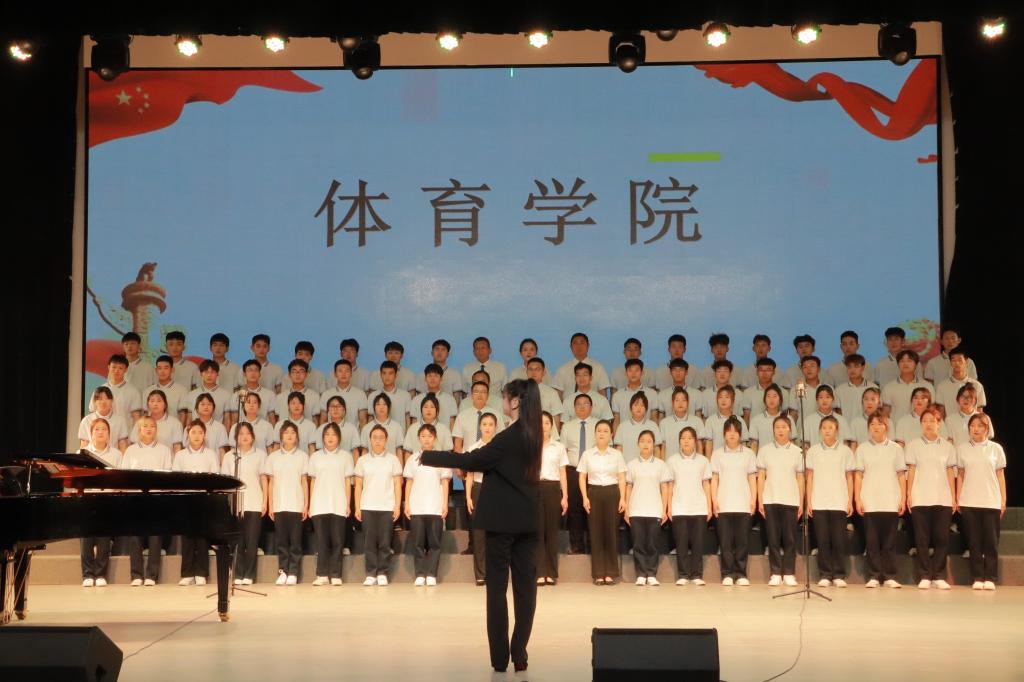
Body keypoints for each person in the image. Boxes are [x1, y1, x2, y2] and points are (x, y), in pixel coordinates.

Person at [420, 379, 543, 674]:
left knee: (496, 591)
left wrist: (428, 456)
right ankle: (519, 652)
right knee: (526, 591)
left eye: (506, 397)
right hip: (528, 521)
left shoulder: (508, 437)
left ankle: (500, 659)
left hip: (501, 523)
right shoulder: (534, 433)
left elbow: (472, 459)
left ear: (516, 402)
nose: (503, 401)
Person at [905, 405, 957, 590]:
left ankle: (939, 575)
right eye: (925, 421)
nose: (928, 424)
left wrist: (953, 496)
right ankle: (925, 575)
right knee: (922, 539)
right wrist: (909, 494)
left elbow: (950, 472)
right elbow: (911, 470)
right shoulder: (913, 445)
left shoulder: (948, 447)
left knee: (942, 538)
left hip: (943, 497)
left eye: (932, 421)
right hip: (920, 498)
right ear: (921, 424)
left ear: (939, 423)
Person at [854, 412, 907, 588]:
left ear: (886, 427)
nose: (876, 427)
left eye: (879, 424)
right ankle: (874, 575)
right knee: (872, 542)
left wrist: (903, 498)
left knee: (890, 541)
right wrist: (857, 498)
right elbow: (858, 475)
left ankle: (890, 575)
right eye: (872, 424)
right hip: (870, 500)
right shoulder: (862, 449)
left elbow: (901, 475)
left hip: (891, 500)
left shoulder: (896, 449)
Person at [121, 416, 173, 586]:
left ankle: (152, 575)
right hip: (136, 498)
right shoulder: (131, 451)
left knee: (155, 537)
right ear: (139, 430)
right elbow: (125, 476)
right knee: (135, 537)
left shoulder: (164, 450)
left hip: (156, 498)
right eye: (145, 426)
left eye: (152, 426)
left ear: (156, 430)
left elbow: (168, 476)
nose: (149, 429)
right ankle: (136, 575)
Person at [956, 413, 1006, 591]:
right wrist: (958, 498)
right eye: (972, 426)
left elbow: (1000, 475)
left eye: (980, 426)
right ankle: (977, 577)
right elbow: (960, 475)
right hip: (969, 500)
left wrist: (1003, 499)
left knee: (991, 542)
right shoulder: (962, 448)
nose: (975, 429)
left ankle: (990, 577)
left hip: (991, 500)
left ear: (987, 428)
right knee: (974, 542)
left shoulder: (995, 449)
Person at [806, 416, 856, 588]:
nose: (827, 430)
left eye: (830, 427)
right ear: (820, 430)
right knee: (823, 540)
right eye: (824, 427)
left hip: (839, 501)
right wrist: (809, 500)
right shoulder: (813, 451)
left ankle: (839, 574)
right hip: (819, 501)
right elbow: (810, 477)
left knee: (839, 540)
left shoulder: (845, 451)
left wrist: (849, 500)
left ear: (837, 430)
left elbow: (850, 478)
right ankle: (825, 574)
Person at [756, 416, 804, 587]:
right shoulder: (765, 450)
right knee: (773, 538)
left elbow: (800, 478)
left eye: (784, 427)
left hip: (791, 500)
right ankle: (775, 572)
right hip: (770, 498)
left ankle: (789, 573)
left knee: (790, 539)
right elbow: (761, 477)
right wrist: (760, 499)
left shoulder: (798, 452)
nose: (780, 430)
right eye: (777, 427)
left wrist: (801, 501)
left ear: (790, 429)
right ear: (773, 430)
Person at [578, 419, 627, 585]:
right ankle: (599, 573)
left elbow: (622, 477)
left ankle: (611, 573)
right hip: (594, 492)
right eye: (599, 430)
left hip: (612, 493)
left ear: (611, 435)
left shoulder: (617, 454)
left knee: (611, 532)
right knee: (596, 532)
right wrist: (585, 497)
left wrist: (623, 498)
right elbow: (582, 477)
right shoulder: (587, 454)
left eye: (606, 431)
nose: (602, 433)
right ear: (594, 434)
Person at [710, 416, 758, 586]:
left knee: (742, 541)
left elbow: (752, 478)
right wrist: (714, 500)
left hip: (743, 503)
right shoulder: (717, 454)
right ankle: (727, 574)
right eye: (728, 431)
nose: (732, 434)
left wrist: (754, 499)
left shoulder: (749, 454)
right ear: (724, 434)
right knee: (725, 542)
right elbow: (714, 479)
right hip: (723, 503)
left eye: (735, 431)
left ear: (740, 434)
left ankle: (741, 573)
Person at [354, 424, 403, 586]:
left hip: (387, 506)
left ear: (386, 440)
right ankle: (370, 573)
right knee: (369, 542)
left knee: (384, 542)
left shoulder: (393, 460)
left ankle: (382, 572)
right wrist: (357, 507)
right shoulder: (362, 460)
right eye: (374, 437)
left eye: (381, 438)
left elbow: (397, 484)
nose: (377, 441)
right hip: (368, 505)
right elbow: (358, 485)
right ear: (370, 439)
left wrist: (397, 506)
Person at [404, 424, 452, 586]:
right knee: (417, 543)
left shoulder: (441, 458)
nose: (426, 439)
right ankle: (419, 574)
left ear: (435, 438)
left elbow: (445, 482)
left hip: (435, 505)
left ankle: (431, 574)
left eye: (430, 436)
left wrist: (445, 504)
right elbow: (409, 483)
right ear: (419, 438)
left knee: (435, 543)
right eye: (423, 436)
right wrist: (407, 503)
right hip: (417, 506)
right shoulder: (412, 459)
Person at [174, 420, 221, 586]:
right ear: (188, 434)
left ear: (204, 435)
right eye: (193, 432)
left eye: (200, 432)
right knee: (187, 539)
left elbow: (215, 478)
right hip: (186, 500)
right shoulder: (180, 455)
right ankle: (187, 573)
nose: (197, 436)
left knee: (202, 539)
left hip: (204, 501)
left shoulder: (211, 454)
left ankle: (201, 573)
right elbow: (176, 479)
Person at [307, 422, 354, 586]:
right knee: (321, 541)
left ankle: (335, 575)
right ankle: (321, 575)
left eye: (333, 434)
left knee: (337, 541)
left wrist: (347, 503)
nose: (330, 437)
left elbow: (347, 482)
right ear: (322, 438)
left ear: (339, 437)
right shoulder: (315, 457)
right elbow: (313, 481)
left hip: (338, 503)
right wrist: (310, 504)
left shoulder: (346, 456)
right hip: (319, 504)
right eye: (327, 434)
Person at [263, 421, 309, 586]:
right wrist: (270, 504)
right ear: (281, 436)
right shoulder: (273, 457)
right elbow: (271, 483)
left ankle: (293, 572)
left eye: (293, 432)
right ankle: (283, 571)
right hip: (279, 504)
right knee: (281, 541)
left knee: (295, 542)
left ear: (297, 436)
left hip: (296, 504)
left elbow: (304, 481)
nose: (289, 435)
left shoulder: (303, 456)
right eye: (286, 432)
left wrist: (306, 504)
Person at [222, 422, 267, 586]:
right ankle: (238, 574)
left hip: (254, 502)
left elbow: (263, 479)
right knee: (238, 542)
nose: (244, 436)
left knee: (252, 541)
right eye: (241, 433)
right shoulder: (230, 456)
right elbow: (226, 482)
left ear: (253, 437)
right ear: (235, 437)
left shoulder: (260, 455)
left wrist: (265, 501)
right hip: (236, 504)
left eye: (248, 433)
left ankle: (249, 574)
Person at [625, 430, 672, 586]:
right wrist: (627, 508)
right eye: (642, 441)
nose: (645, 444)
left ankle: (651, 574)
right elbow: (628, 487)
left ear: (653, 445)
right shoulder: (631, 464)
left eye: (649, 441)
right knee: (638, 544)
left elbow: (665, 488)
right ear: (638, 444)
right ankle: (640, 574)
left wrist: (664, 509)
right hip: (636, 509)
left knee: (652, 544)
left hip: (654, 509)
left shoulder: (661, 465)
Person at [667, 427, 712, 586]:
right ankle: (683, 574)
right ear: (679, 441)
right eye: (683, 438)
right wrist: (669, 506)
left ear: (695, 441)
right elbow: (670, 485)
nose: (686, 441)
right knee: (681, 544)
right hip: (679, 507)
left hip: (698, 507)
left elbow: (706, 484)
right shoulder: (672, 461)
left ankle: (696, 575)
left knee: (698, 544)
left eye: (689, 438)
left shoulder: (703, 461)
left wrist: (709, 506)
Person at [80, 418, 120, 587]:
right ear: (91, 433)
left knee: (104, 539)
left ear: (109, 434)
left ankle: (101, 574)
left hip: (107, 500)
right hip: (87, 499)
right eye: (97, 429)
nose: (101, 432)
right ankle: (87, 574)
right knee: (86, 539)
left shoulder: (116, 454)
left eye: (104, 429)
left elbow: (119, 479)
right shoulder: (83, 453)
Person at [464, 413, 500, 585]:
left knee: (495, 533)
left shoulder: (500, 447)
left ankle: (494, 573)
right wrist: (468, 496)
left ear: (496, 427)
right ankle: (480, 574)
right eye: (484, 424)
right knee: (478, 533)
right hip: (478, 489)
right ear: (480, 427)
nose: (487, 427)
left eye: (490, 424)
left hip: (496, 489)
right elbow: (469, 475)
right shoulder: (473, 448)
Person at [560, 393, 596, 554]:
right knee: (574, 510)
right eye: (578, 404)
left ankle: (592, 545)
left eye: (585, 404)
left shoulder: (598, 425)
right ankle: (576, 545)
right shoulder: (567, 426)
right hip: (573, 471)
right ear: (574, 408)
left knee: (592, 509)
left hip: (593, 472)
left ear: (591, 407)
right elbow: (563, 451)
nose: (582, 407)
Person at [613, 392, 663, 462]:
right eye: (636, 405)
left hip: (649, 466)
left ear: (646, 409)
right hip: (627, 466)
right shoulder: (622, 427)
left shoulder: (653, 426)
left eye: (642, 405)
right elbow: (619, 449)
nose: (639, 408)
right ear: (630, 408)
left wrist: (656, 465)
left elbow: (656, 449)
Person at [659, 387, 708, 457]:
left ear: (688, 403)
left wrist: (699, 461)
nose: (680, 403)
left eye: (683, 400)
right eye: (677, 400)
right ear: (672, 403)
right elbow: (663, 447)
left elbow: (700, 446)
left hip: (692, 461)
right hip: (670, 461)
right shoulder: (664, 423)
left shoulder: (697, 421)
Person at [78, 386, 129, 451]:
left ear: (112, 401)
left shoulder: (120, 420)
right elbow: (84, 445)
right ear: (94, 402)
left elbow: (123, 446)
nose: (103, 402)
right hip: (91, 456)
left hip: (112, 455)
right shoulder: (86, 420)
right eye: (100, 399)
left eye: (107, 398)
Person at [320, 359, 369, 427]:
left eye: (347, 371)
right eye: (340, 371)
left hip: (353, 433)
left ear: (351, 374)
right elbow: (323, 420)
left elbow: (363, 421)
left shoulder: (360, 394)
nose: (343, 374)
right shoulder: (326, 394)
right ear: (335, 374)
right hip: (331, 432)